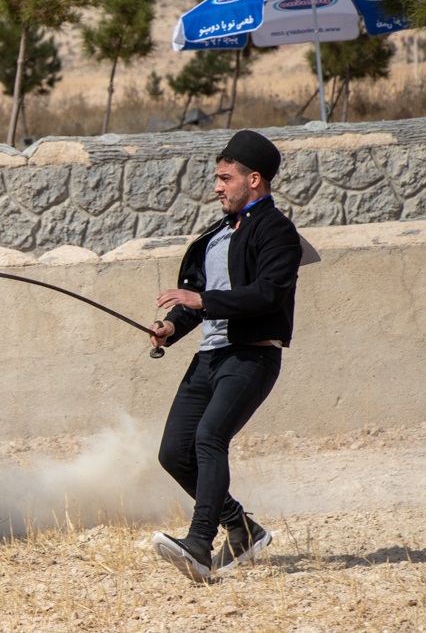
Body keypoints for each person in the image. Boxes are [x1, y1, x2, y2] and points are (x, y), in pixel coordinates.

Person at [148, 129, 302, 583]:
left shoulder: (277, 231)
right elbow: (197, 295)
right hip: (209, 358)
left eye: (225, 177)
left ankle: (199, 544)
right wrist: (173, 326)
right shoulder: (217, 233)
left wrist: (203, 302)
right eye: (217, 178)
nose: (217, 186)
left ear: (254, 179)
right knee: (174, 452)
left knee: (210, 437)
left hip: (250, 358)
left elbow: (268, 294)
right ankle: (242, 528)